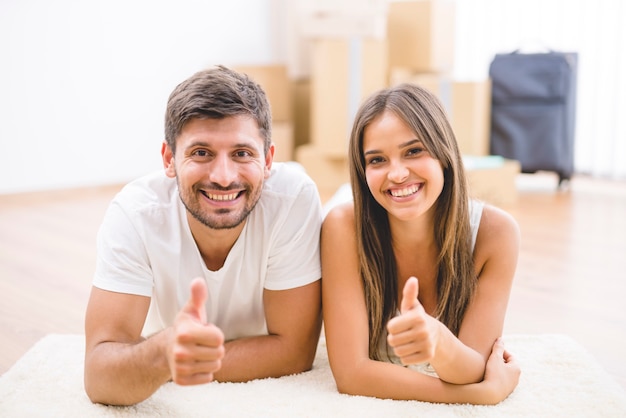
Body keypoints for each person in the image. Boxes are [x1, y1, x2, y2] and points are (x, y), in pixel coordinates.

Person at [84, 65, 323, 406]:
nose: (224, 177)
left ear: (269, 160)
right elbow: (99, 376)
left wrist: (175, 360)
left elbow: (294, 352)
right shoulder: (134, 214)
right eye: (201, 153)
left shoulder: (293, 198)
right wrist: (165, 350)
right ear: (169, 159)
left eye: (242, 153)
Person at [321, 83, 521, 404]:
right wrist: (482, 394)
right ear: (362, 171)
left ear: (444, 154)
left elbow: (473, 366)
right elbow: (351, 373)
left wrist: (438, 339)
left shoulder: (496, 233)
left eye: (414, 151)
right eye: (377, 160)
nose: (397, 174)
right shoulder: (341, 227)